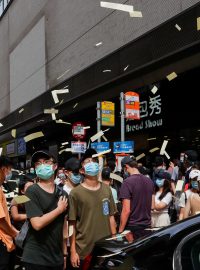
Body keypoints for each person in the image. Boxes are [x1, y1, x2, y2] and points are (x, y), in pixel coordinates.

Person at [22, 150, 68, 270]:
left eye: (46, 162)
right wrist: (59, 209)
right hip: (36, 257)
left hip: (56, 257)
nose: (42, 165)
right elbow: (37, 224)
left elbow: (64, 225)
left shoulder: (63, 194)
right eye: (38, 163)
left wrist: (64, 253)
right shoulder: (32, 191)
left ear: (55, 166)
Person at [69, 155, 117, 269]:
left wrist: (114, 241)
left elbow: (111, 217)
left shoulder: (107, 189)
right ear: (82, 170)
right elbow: (72, 223)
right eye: (87, 162)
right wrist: (72, 251)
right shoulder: (75, 193)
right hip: (84, 249)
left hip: (105, 248)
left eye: (94, 161)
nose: (92, 163)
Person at [119, 156, 154, 235]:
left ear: (126, 167)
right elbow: (152, 206)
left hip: (132, 228)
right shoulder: (150, 181)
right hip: (147, 226)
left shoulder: (127, 182)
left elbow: (126, 210)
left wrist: (120, 231)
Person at [0, 156, 19, 270]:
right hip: (2, 241)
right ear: (4, 169)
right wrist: (14, 233)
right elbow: (1, 220)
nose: (10, 172)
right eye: (10, 169)